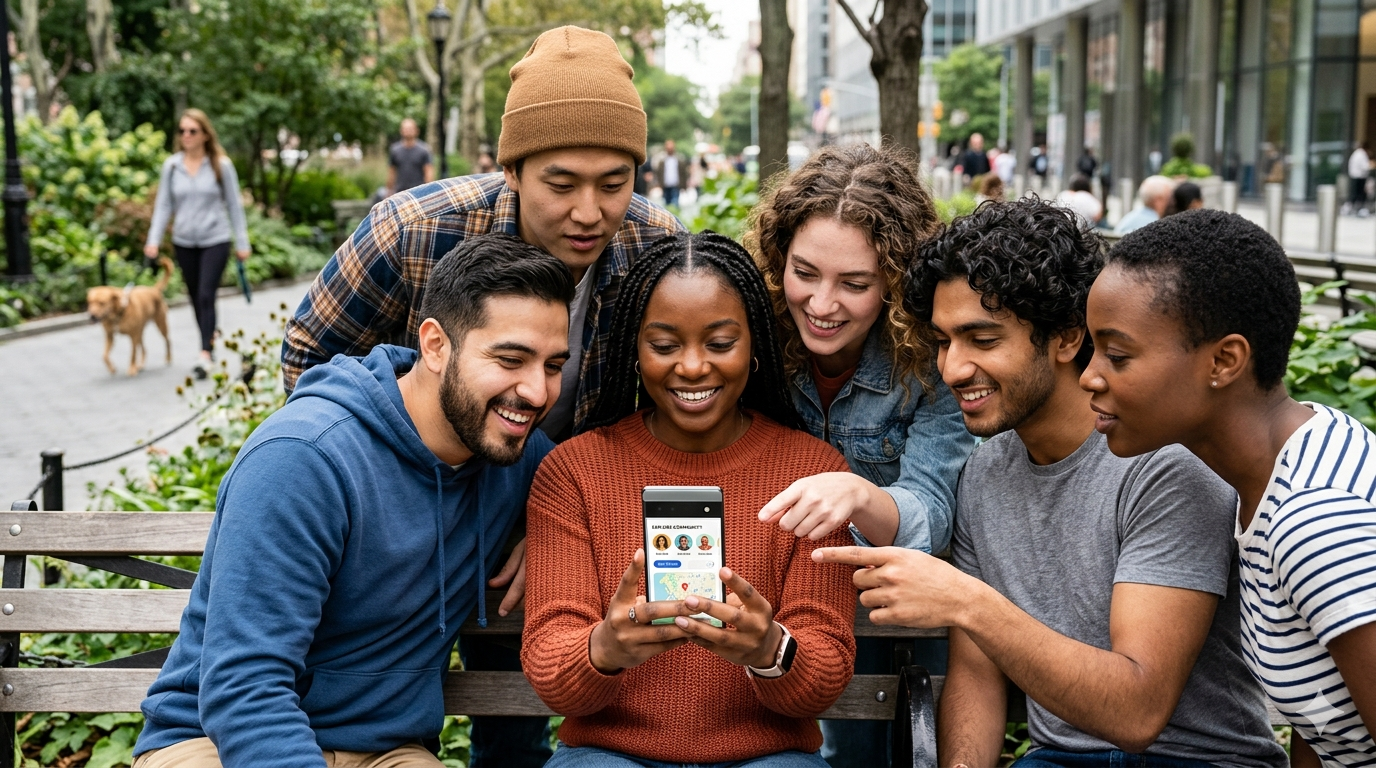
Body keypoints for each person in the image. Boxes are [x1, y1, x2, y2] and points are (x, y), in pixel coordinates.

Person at [281, 25, 683, 767]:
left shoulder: (655, 251)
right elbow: (310, 357)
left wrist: (557, 512)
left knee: (517, 717)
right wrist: (386, 499)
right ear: (515, 171)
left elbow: (665, 407)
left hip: (541, 506)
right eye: (561, 183)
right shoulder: (412, 233)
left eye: (614, 182)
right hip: (415, 514)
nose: (590, 212)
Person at [815, 198, 1287, 768]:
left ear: (1066, 339)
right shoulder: (985, 475)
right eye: (943, 341)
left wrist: (968, 601)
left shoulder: (1164, 463)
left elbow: (1136, 713)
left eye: (982, 340)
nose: (952, 369)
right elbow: (977, 677)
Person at [131, 236, 573, 768]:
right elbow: (244, 686)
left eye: (552, 365)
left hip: (387, 753)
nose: (536, 391)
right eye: (510, 359)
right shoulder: (304, 458)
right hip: (218, 742)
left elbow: (597, 480)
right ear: (435, 345)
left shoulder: (513, 451)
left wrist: (546, 523)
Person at [522, 232, 856, 767]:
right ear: (633, 346)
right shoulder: (574, 472)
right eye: (664, 345)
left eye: (721, 343)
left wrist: (769, 650)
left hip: (766, 756)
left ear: (756, 347)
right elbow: (549, 663)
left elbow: (825, 674)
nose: (694, 366)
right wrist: (606, 647)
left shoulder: (814, 474)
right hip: (610, 754)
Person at [1081, 209, 1376, 766]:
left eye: (1117, 355)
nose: (1089, 375)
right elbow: (1327, 727)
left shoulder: (1313, 520)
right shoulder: (1288, 462)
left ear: (1224, 360)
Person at [747, 144, 974, 768]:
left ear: (894, 283)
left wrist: (859, 495)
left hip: (887, 613)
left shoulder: (927, 364)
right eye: (804, 272)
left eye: (855, 284)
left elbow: (933, 512)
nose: (822, 305)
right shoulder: (750, 333)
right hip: (775, 607)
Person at [145, 108, 250, 380]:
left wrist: (242, 242)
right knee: (194, 296)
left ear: (204, 134)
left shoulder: (220, 165)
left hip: (215, 238)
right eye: (182, 131)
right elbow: (164, 205)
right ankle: (209, 339)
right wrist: (153, 241)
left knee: (206, 294)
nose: (186, 136)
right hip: (184, 241)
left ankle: (205, 352)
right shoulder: (172, 166)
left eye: (192, 131)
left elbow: (234, 206)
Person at [388, 118, 435, 196]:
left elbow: (429, 173)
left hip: (418, 194)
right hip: (400, 193)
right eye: (405, 129)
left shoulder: (424, 150)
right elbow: (391, 173)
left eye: (410, 129)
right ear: (401, 131)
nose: (408, 131)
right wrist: (389, 191)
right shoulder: (395, 150)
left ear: (416, 131)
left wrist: (429, 193)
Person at [655, 138, 683, 207]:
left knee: (675, 204)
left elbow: (683, 172)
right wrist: (659, 183)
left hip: (675, 185)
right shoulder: (662, 160)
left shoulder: (679, 159)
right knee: (666, 204)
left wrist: (683, 185)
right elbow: (658, 173)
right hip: (665, 185)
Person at [1348, 142, 1370, 216]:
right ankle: (1359, 209)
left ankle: (1352, 208)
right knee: (1359, 193)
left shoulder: (1356, 153)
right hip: (1360, 176)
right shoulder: (1362, 154)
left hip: (1354, 175)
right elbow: (1365, 166)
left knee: (1355, 192)